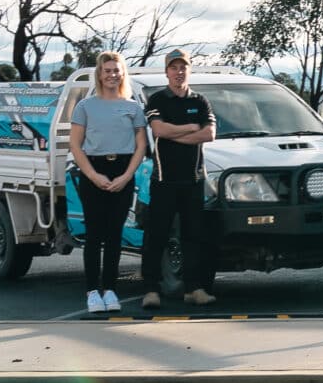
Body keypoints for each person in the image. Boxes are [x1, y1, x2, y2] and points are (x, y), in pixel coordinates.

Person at [68, 51, 148, 314]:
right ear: (99, 75)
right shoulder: (85, 106)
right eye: (107, 70)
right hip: (94, 171)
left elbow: (140, 146)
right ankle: (92, 292)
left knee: (115, 235)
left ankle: (110, 290)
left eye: (117, 70)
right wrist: (93, 175)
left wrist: (125, 177)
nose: (112, 75)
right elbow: (75, 145)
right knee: (94, 235)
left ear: (123, 73)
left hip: (123, 171)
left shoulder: (133, 107)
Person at [140, 49, 216, 307]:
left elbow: (209, 134)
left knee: (193, 237)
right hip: (164, 180)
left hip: (193, 181)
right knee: (156, 236)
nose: (178, 72)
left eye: (183, 67)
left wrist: (176, 135)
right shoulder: (158, 99)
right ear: (166, 71)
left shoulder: (201, 101)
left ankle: (193, 289)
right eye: (174, 67)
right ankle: (151, 290)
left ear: (189, 69)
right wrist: (190, 128)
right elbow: (158, 129)